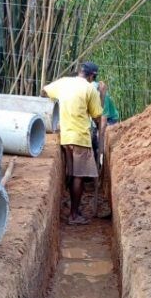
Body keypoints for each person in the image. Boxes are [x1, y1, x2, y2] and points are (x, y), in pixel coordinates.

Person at [42, 61, 104, 225]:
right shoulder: (90, 88)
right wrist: (99, 128)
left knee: (71, 172)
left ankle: (69, 205)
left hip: (65, 137)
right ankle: (74, 215)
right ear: (92, 76)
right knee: (79, 177)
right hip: (80, 139)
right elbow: (97, 115)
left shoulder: (63, 82)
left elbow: (44, 91)